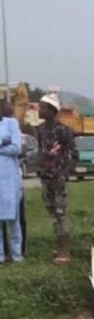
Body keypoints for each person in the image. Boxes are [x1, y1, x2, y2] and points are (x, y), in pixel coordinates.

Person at [36, 94, 76, 265]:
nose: (40, 110)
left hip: (58, 177)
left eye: (43, 107)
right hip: (45, 177)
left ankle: (64, 251)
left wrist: (64, 174)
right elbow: (40, 150)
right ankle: (59, 246)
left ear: (52, 111)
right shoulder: (40, 130)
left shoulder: (64, 131)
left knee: (61, 213)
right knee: (52, 213)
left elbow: (74, 154)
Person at [0, 99, 23, 264]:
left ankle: (16, 255)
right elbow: (9, 145)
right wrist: (2, 141)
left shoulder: (12, 123)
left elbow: (17, 148)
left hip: (10, 178)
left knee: (14, 220)